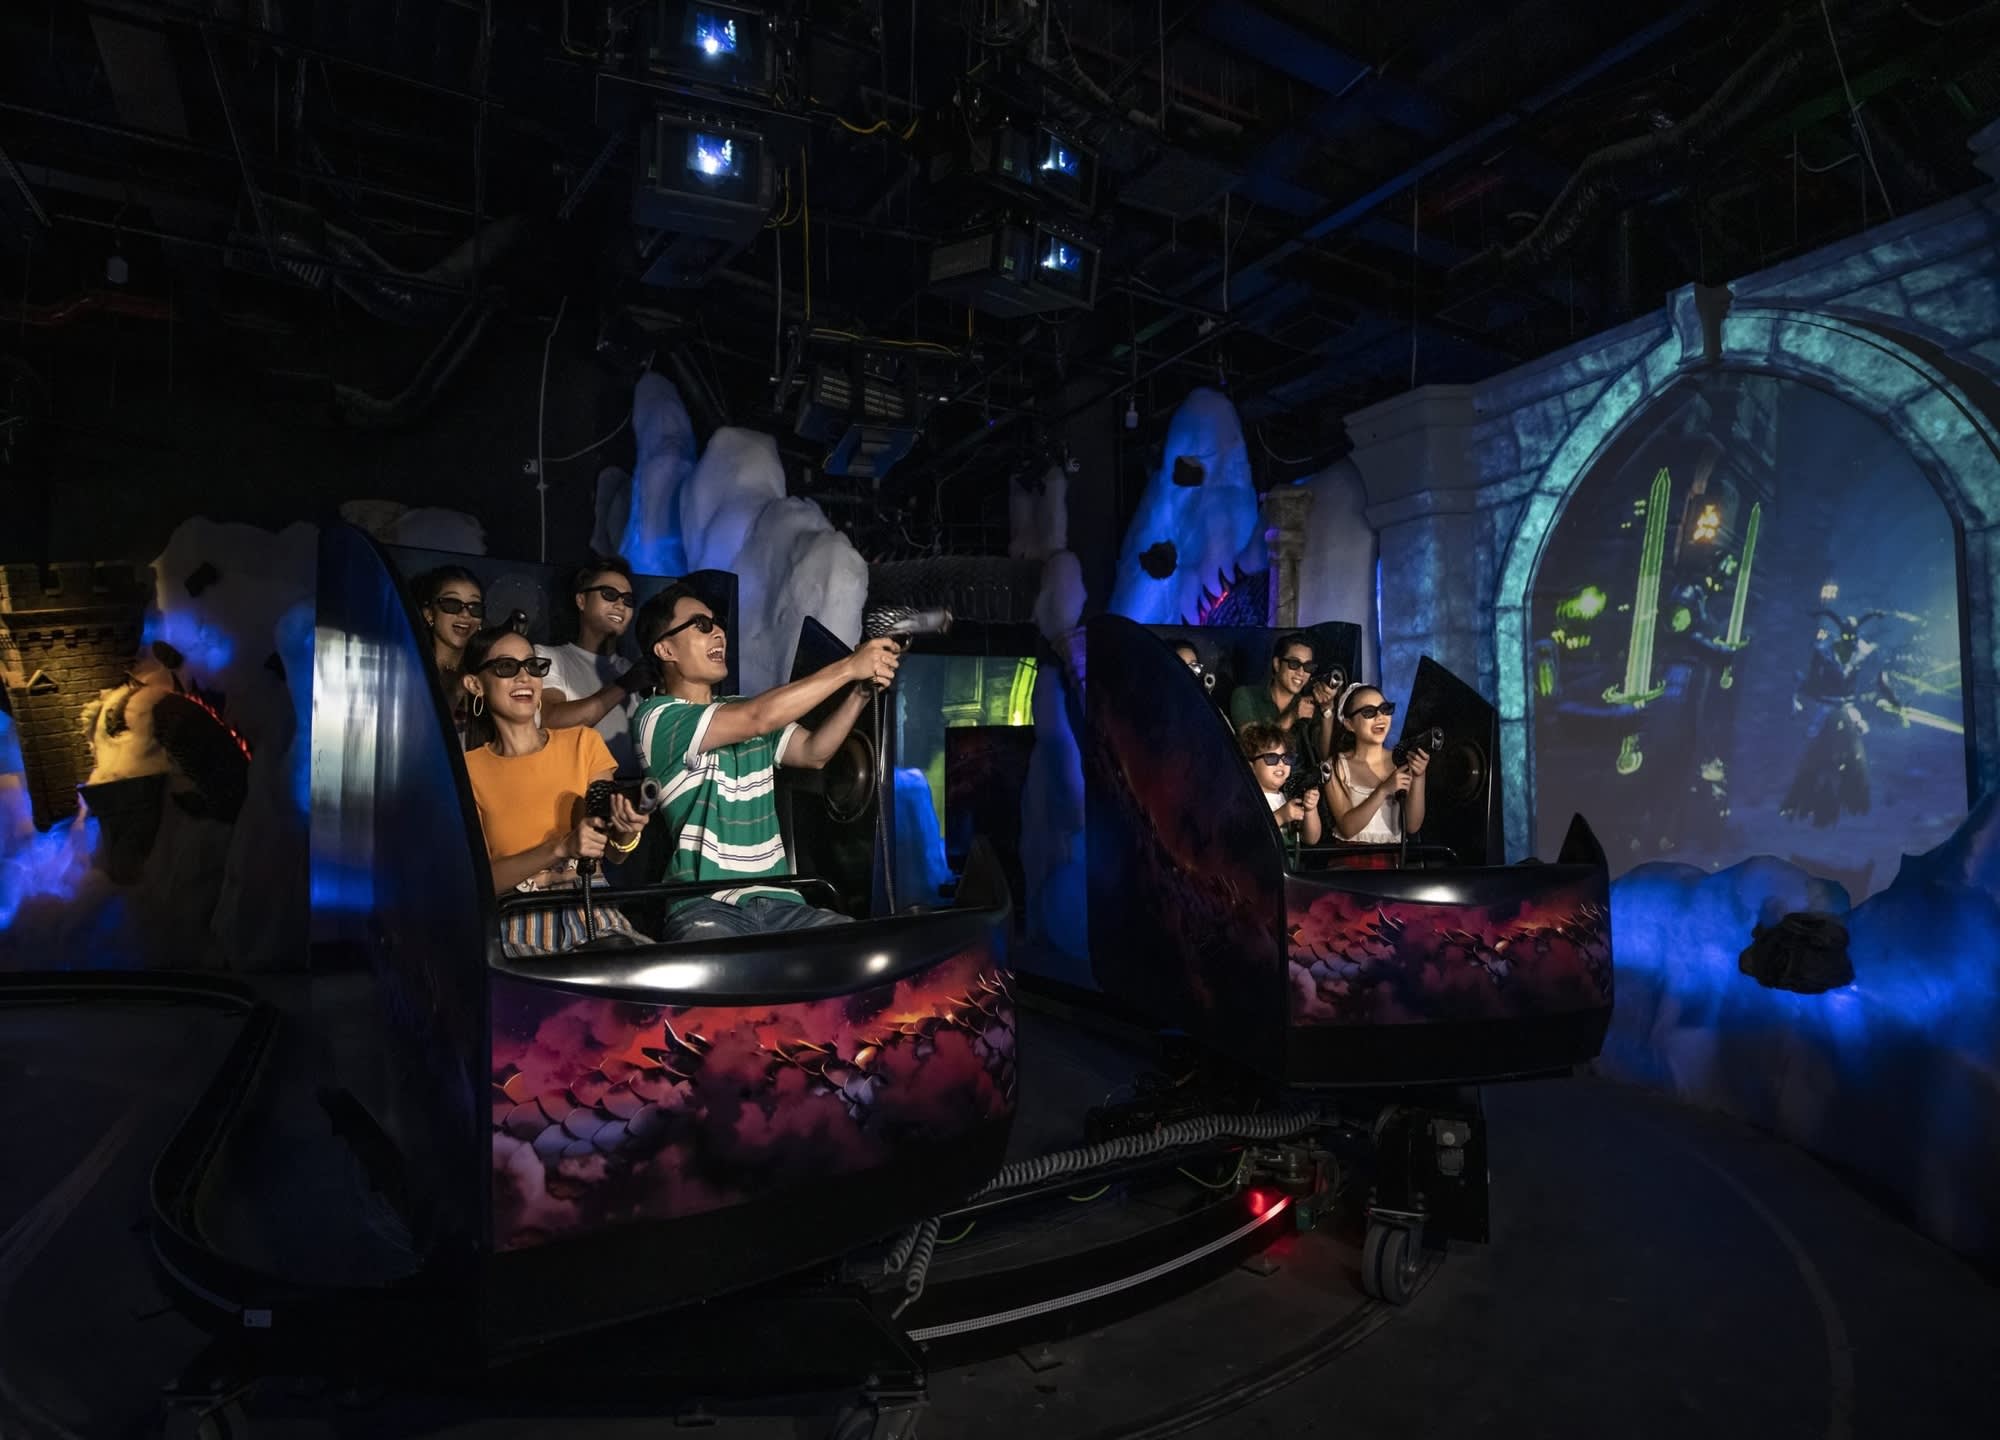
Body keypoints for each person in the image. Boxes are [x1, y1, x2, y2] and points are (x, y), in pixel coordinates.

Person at [631, 582, 902, 942]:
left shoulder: (743, 707)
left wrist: (860, 693)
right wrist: (849, 667)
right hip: (704, 905)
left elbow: (814, 752)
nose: (719, 632)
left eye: (717, 623)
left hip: (782, 903)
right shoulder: (656, 716)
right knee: (720, 966)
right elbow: (758, 718)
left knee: (862, 947)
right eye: (702, 625)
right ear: (665, 649)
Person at [458, 626, 650, 954]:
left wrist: (627, 829)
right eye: (506, 667)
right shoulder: (468, 770)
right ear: (475, 684)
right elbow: (478, 880)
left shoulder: (583, 743)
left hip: (590, 907)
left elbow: (614, 852)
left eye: (532, 666)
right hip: (517, 919)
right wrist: (559, 848)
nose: (524, 677)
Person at [537, 555, 645, 771]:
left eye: (628, 600)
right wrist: (623, 686)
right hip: (575, 788)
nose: (620, 605)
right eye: (609, 594)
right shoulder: (549, 657)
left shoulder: (633, 670)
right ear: (581, 601)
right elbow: (550, 720)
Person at [1325, 683, 1429, 851]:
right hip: (1349, 861)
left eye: (1385, 709)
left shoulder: (1402, 761)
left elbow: (1412, 826)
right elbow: (1347, 828)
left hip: (1392, 860)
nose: (1380, 717)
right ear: (1349, 724)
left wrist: (1419, 776)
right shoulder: (1335, 766)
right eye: (1368, 712)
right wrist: (1383, 790)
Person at [1229, 632, 1335, 763]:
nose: (1301, 672)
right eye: (1294, 663)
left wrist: (1327, 710)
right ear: (1277, 664)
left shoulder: (1308, 703)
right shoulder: (1246, 696)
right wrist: (1292, 716)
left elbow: (1326, 757)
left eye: (1308, 667)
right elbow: (1256, 751)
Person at [414, 565, 484, 741]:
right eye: (452, 604)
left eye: (474, 607)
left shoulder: (485, 673)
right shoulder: (411, 671)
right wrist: (457, 690)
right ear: (429, 614)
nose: (465, 614)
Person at [1240, 720, 1322, 844]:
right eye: (1271, 758)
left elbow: (1311, 839)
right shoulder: (1246, 799)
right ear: (1251, 766)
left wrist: (1311, 810)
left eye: (1286, 758)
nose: (1281, 763)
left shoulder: (1288, 797)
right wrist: (1280, 817)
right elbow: (1247, 837)